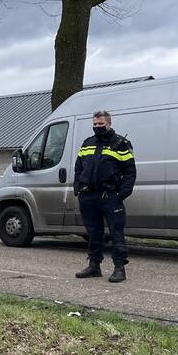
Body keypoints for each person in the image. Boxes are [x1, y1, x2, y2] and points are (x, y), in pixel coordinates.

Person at [73, 110, 137, 283]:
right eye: (95, 124)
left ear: (109, 124)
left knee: (116, 232)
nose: (97, 127)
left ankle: (119, 268)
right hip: (88, 196)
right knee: (94, 233)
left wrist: (121, 194)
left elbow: (130, 171)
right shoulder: (87, 143)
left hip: (110, 196)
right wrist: (77, 187)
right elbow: (78, 167)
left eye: (100, 124)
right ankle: (94, 266)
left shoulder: (120, 144)